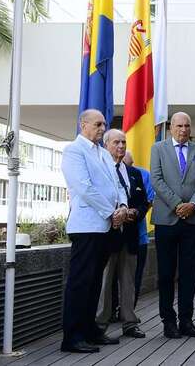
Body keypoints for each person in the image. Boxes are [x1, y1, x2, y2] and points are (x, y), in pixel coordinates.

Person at [60, 109, 127, 353]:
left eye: (104, 124)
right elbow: (84, 187)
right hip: (87, 226)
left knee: (95, 282)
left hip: (106, 227)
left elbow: (118, 185)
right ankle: (73, 336)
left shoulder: (103, 153)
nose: (102, 128)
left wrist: (122, 206)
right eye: (97, 124)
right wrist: (112, 212)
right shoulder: (74, 151)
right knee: (80, 282)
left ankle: (90, 330)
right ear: (83, 124)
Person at [150, 112, 195, 339]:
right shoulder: (158, 149)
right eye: (179, 126)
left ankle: (186, 320)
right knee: (166, 273)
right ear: (171, 127)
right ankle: (168, 321)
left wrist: (192, 204)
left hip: (193, 220)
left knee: (189, 273)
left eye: (187, 126)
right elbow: (156, 180)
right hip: (167, 219)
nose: (183, 130)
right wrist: (178, 204)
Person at [96, 130, 149, 339]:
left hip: (131, 235)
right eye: (116, 142)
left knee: (128, 282)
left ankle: (129, 322)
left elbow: (144, 201)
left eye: (124, 142)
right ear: (106, 144)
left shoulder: (134, 172)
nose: (121, 146)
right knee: (104, 282)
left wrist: (135, 212)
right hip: (108, 235)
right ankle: (100, 324)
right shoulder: (101, 169)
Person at [124, 152, 154, 307]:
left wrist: (135, 213)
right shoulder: (107, 171)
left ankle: (129, 313)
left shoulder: (142, 174)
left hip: (138, 236)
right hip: (113, 236)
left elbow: (149, 200)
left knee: (134, 277)